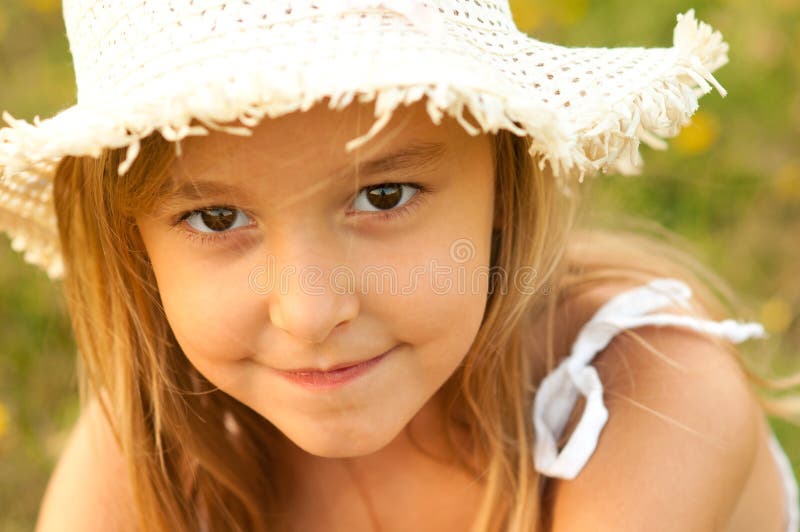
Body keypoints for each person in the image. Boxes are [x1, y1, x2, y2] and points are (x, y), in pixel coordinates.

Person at [1, 1, 797, 531]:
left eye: (383, 196)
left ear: (504, 179)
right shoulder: (160, 440)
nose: (311, 314)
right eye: (217, 218)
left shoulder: (654, 397)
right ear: (135, 242)